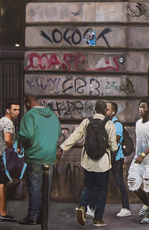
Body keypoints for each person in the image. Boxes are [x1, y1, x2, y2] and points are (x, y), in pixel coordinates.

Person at [57, 100, 118, 227]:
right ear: (105, 110)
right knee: (102, 190)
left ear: (95, 109)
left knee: (89, 186)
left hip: (88, 162)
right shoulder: (110, 124)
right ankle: (98, 219)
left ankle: (83, 206)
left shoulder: (86, 122)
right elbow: (113, 146)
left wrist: (62, 148)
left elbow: (75, 136)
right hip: (103, 164)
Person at [18, 95, 61, 225]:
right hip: (50, 157)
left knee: (34, 188)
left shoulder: (29, 116)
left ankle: (33, 216)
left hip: (35, 156)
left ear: (27, 104)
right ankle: (43, 215)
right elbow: (59, 133)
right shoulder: (53, 116)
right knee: (45, 188)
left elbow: (26, 134)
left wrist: (19, 140)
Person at [127, 100, 149, 224]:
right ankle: (146, 204)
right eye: (139, 107)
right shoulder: (138, 123)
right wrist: (136, 155)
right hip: (137, 161)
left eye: (143, 107)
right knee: (132, 185)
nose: (140, 109)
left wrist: (142, 155)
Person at [0, 101, 20, 222]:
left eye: (18, 110)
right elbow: (7, 140)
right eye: (14, 110)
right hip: (3, 156)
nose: (17, 112)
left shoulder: (1, 120)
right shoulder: (8, 123)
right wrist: (15, 149)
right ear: (8, 110)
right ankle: (2, 212)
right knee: (2, 184)